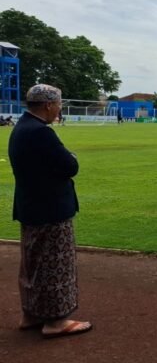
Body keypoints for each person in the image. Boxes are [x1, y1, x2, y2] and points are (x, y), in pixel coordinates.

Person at [8, 84, 92, 338]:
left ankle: (31, 314)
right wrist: (72, 157)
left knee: (32, 264)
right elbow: (69, 166)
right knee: (56, 264)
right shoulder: (41, 133)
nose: (59, 109)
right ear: (48, 105)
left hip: (30, 206)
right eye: (58, 104)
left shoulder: (21, 128)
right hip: (50, 208)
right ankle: (56, 321)